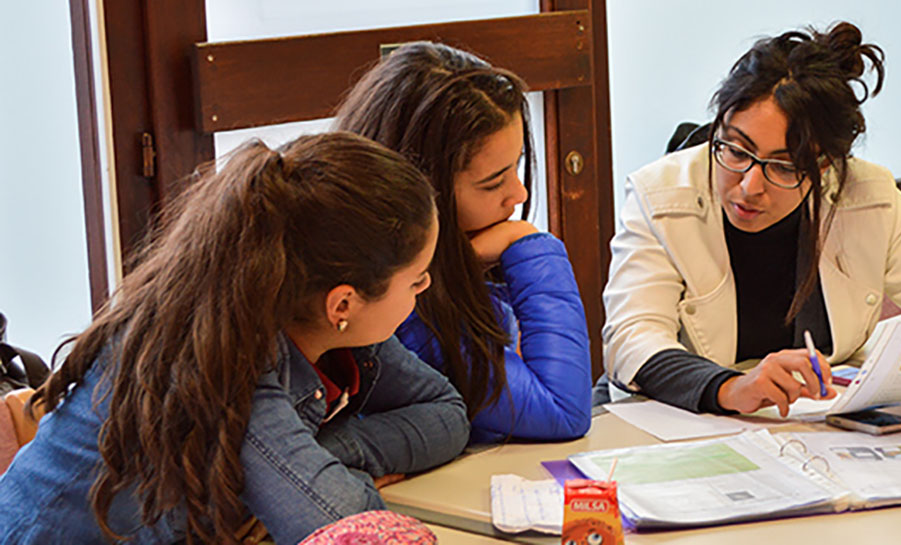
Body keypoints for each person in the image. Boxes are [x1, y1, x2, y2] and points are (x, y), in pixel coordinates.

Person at [0, 132, 470, 545]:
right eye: (417, 279)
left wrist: (330, 453)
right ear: (342, 304)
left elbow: (447, 415)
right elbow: (346, 526)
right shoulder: (226, 361)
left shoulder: (311, 311)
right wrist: (307, 480)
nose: (425, 289)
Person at [602, 22, 901, 417]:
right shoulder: (659, 195)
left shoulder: (867, 195)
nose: (750, 185)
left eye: (784, 167)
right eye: (735, 150)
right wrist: (731, 388)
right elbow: (632, 341)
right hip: (669, 419)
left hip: (808, 430)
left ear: (824, 167)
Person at [335, 42, 592, 443]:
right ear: (421, 189)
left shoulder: (462, 258)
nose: (519, 194)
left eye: (518, 166)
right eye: (493, 183)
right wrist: (530, 245)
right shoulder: (401, 305)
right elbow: (563, 411)